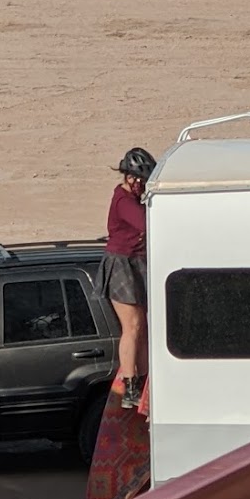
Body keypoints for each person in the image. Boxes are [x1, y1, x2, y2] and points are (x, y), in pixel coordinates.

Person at [99, 147, 156, 410]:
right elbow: (146, 223)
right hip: (122, 265)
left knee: (141, 326)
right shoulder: (123, 200)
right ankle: (130, 385)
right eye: (141, 181)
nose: (142, 186)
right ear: (130, 177)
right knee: (132, 326)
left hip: (136, 263)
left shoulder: (132, 197)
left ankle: (141, 381)